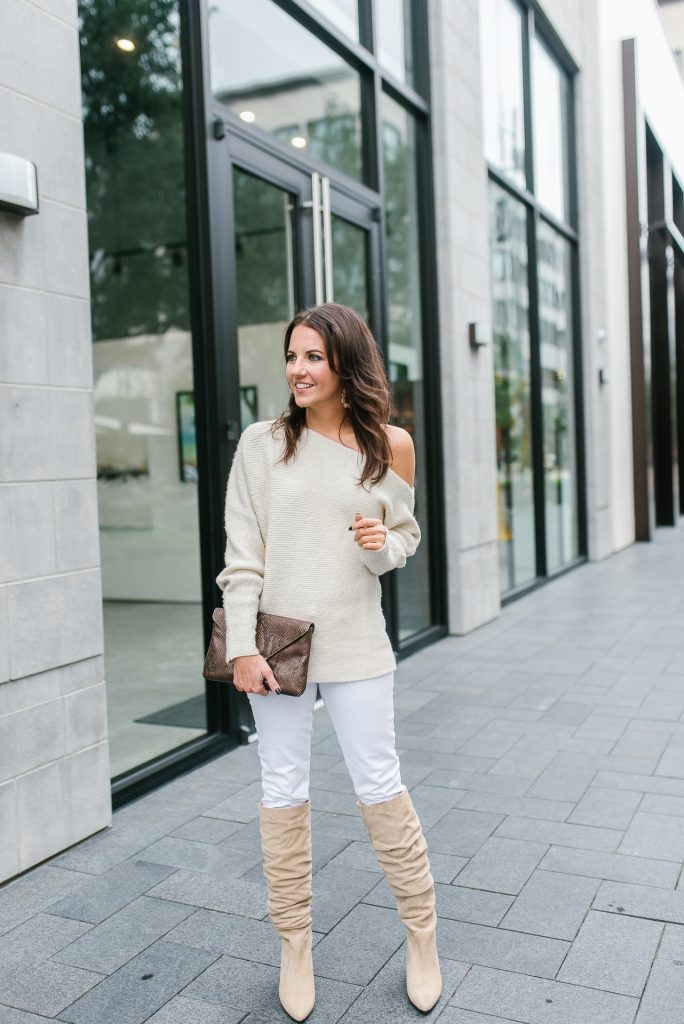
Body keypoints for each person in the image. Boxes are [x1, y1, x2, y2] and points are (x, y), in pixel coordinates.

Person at [216, 303, 441, 1021]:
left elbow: (398, 546)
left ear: (345, 362)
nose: (298, 370)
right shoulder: (262, 444)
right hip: (276, 647)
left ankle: (422, 938)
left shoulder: (390, 446)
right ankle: (294, 947)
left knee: (380, 784)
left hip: (355, 642)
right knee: (282, 790)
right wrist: (245, 645)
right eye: (292, 356)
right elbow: (242, 556)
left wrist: (379, 542)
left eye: (313, 356)